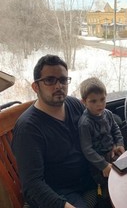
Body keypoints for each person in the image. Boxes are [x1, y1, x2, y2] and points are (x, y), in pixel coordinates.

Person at [12, 55, 98, 208]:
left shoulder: (73, 104)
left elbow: (93, 131)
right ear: (36, 87)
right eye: (50, 80)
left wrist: (112, 144)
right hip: (60, 193)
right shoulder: (28, 129)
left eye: (63, 80)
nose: (59, 86)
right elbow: (32, 185)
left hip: (88, 178)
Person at [78, 77, 125, 207]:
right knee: (104, 184)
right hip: (97, 163)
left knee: (123, 174)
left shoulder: (108, 114)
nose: (99, 104)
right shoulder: (85, 123)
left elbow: (115, 129)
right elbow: (87, 150)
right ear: (84, 102)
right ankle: (106, 199)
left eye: (102, 99)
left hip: (112, 153)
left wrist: (119, 144)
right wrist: (103, 165)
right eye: (93, 101)